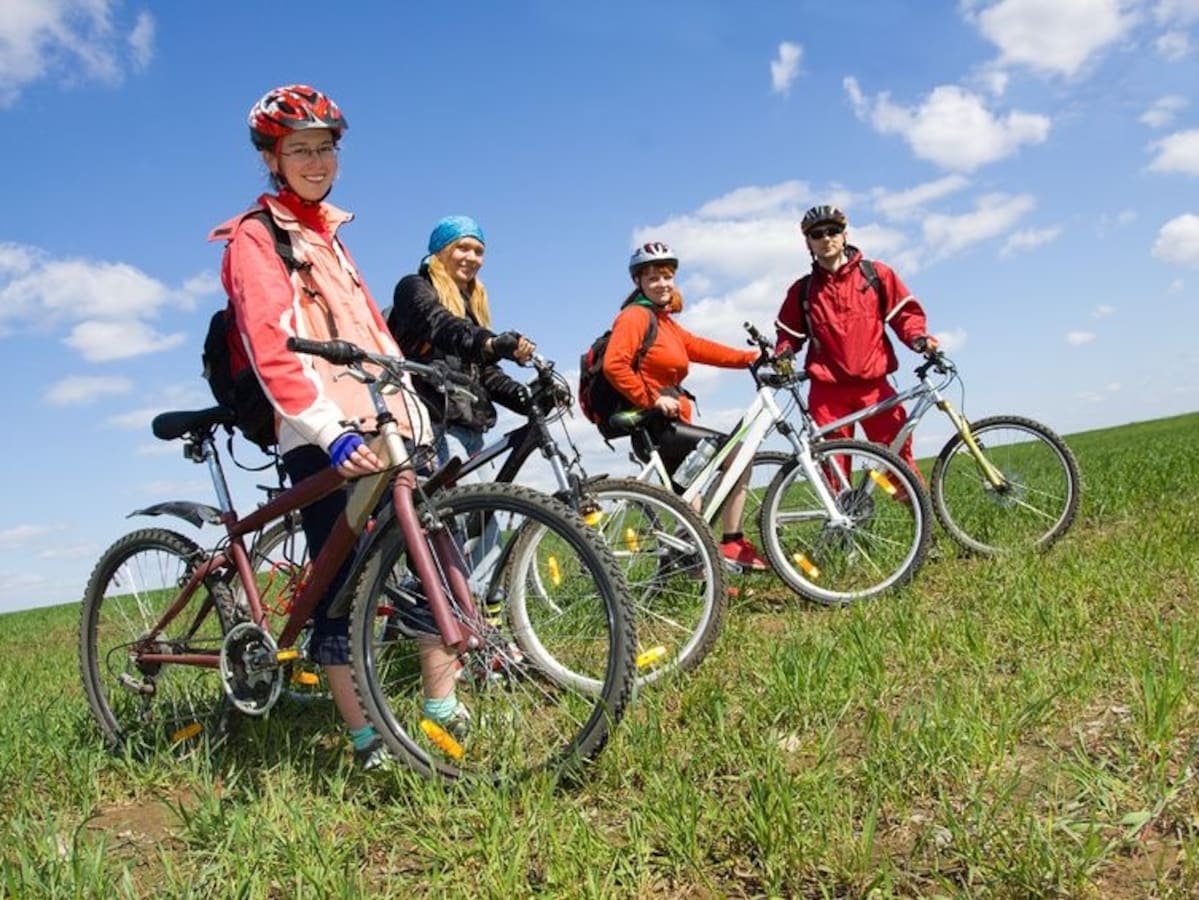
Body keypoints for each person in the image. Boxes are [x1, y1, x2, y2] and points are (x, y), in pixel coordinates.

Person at [210, 85, 463, 770]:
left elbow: (373, 336)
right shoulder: (255, 240)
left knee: (429, 563)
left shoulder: (329, 234)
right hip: (323, 435)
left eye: (325, 148)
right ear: (271, 156)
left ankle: (444, 715)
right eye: (299, 149)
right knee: (341, 591)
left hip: (383, 424)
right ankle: (365, 738)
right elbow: (272, 346)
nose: (316, 161)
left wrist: (411, 410)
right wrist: (329, 431)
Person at [602, 241, 768, 570]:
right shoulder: (635, 317)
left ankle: (694, 569)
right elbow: (613, 364)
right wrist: (652, 398)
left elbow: (702, 348)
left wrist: (751, 357)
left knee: (691, 499)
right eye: (653, 278)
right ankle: (732, 543)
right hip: (657, 424)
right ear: (639, 282)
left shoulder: (664, 323)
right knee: (736, 457)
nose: (662, 283)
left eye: (667, 277)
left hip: (673, 422)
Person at [773, 205, 938, 478]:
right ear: (808, 243)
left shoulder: (876, 274)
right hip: (828, 393)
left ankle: (926, 519)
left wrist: (919, 339)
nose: (826, 238)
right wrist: (784, 353)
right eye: (817, 234)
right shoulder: (803, 290)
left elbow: (904, 317)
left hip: (874, 387)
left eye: (833, 231)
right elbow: (788, 335)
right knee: (833, 471)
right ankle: (844, 520)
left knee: (899, 461)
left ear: (845, 234)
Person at [386, 215, 535, 468]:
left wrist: (527, 397)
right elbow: (440, 325)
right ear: (440, 251)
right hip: (430, 425)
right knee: (469, 505)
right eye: (462, 247)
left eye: (478, 252)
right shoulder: (414, 288)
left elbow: (484, 373)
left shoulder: (471, 308)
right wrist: (491, 342)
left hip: (470, 430)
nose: (471, 257)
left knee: (487, 505)